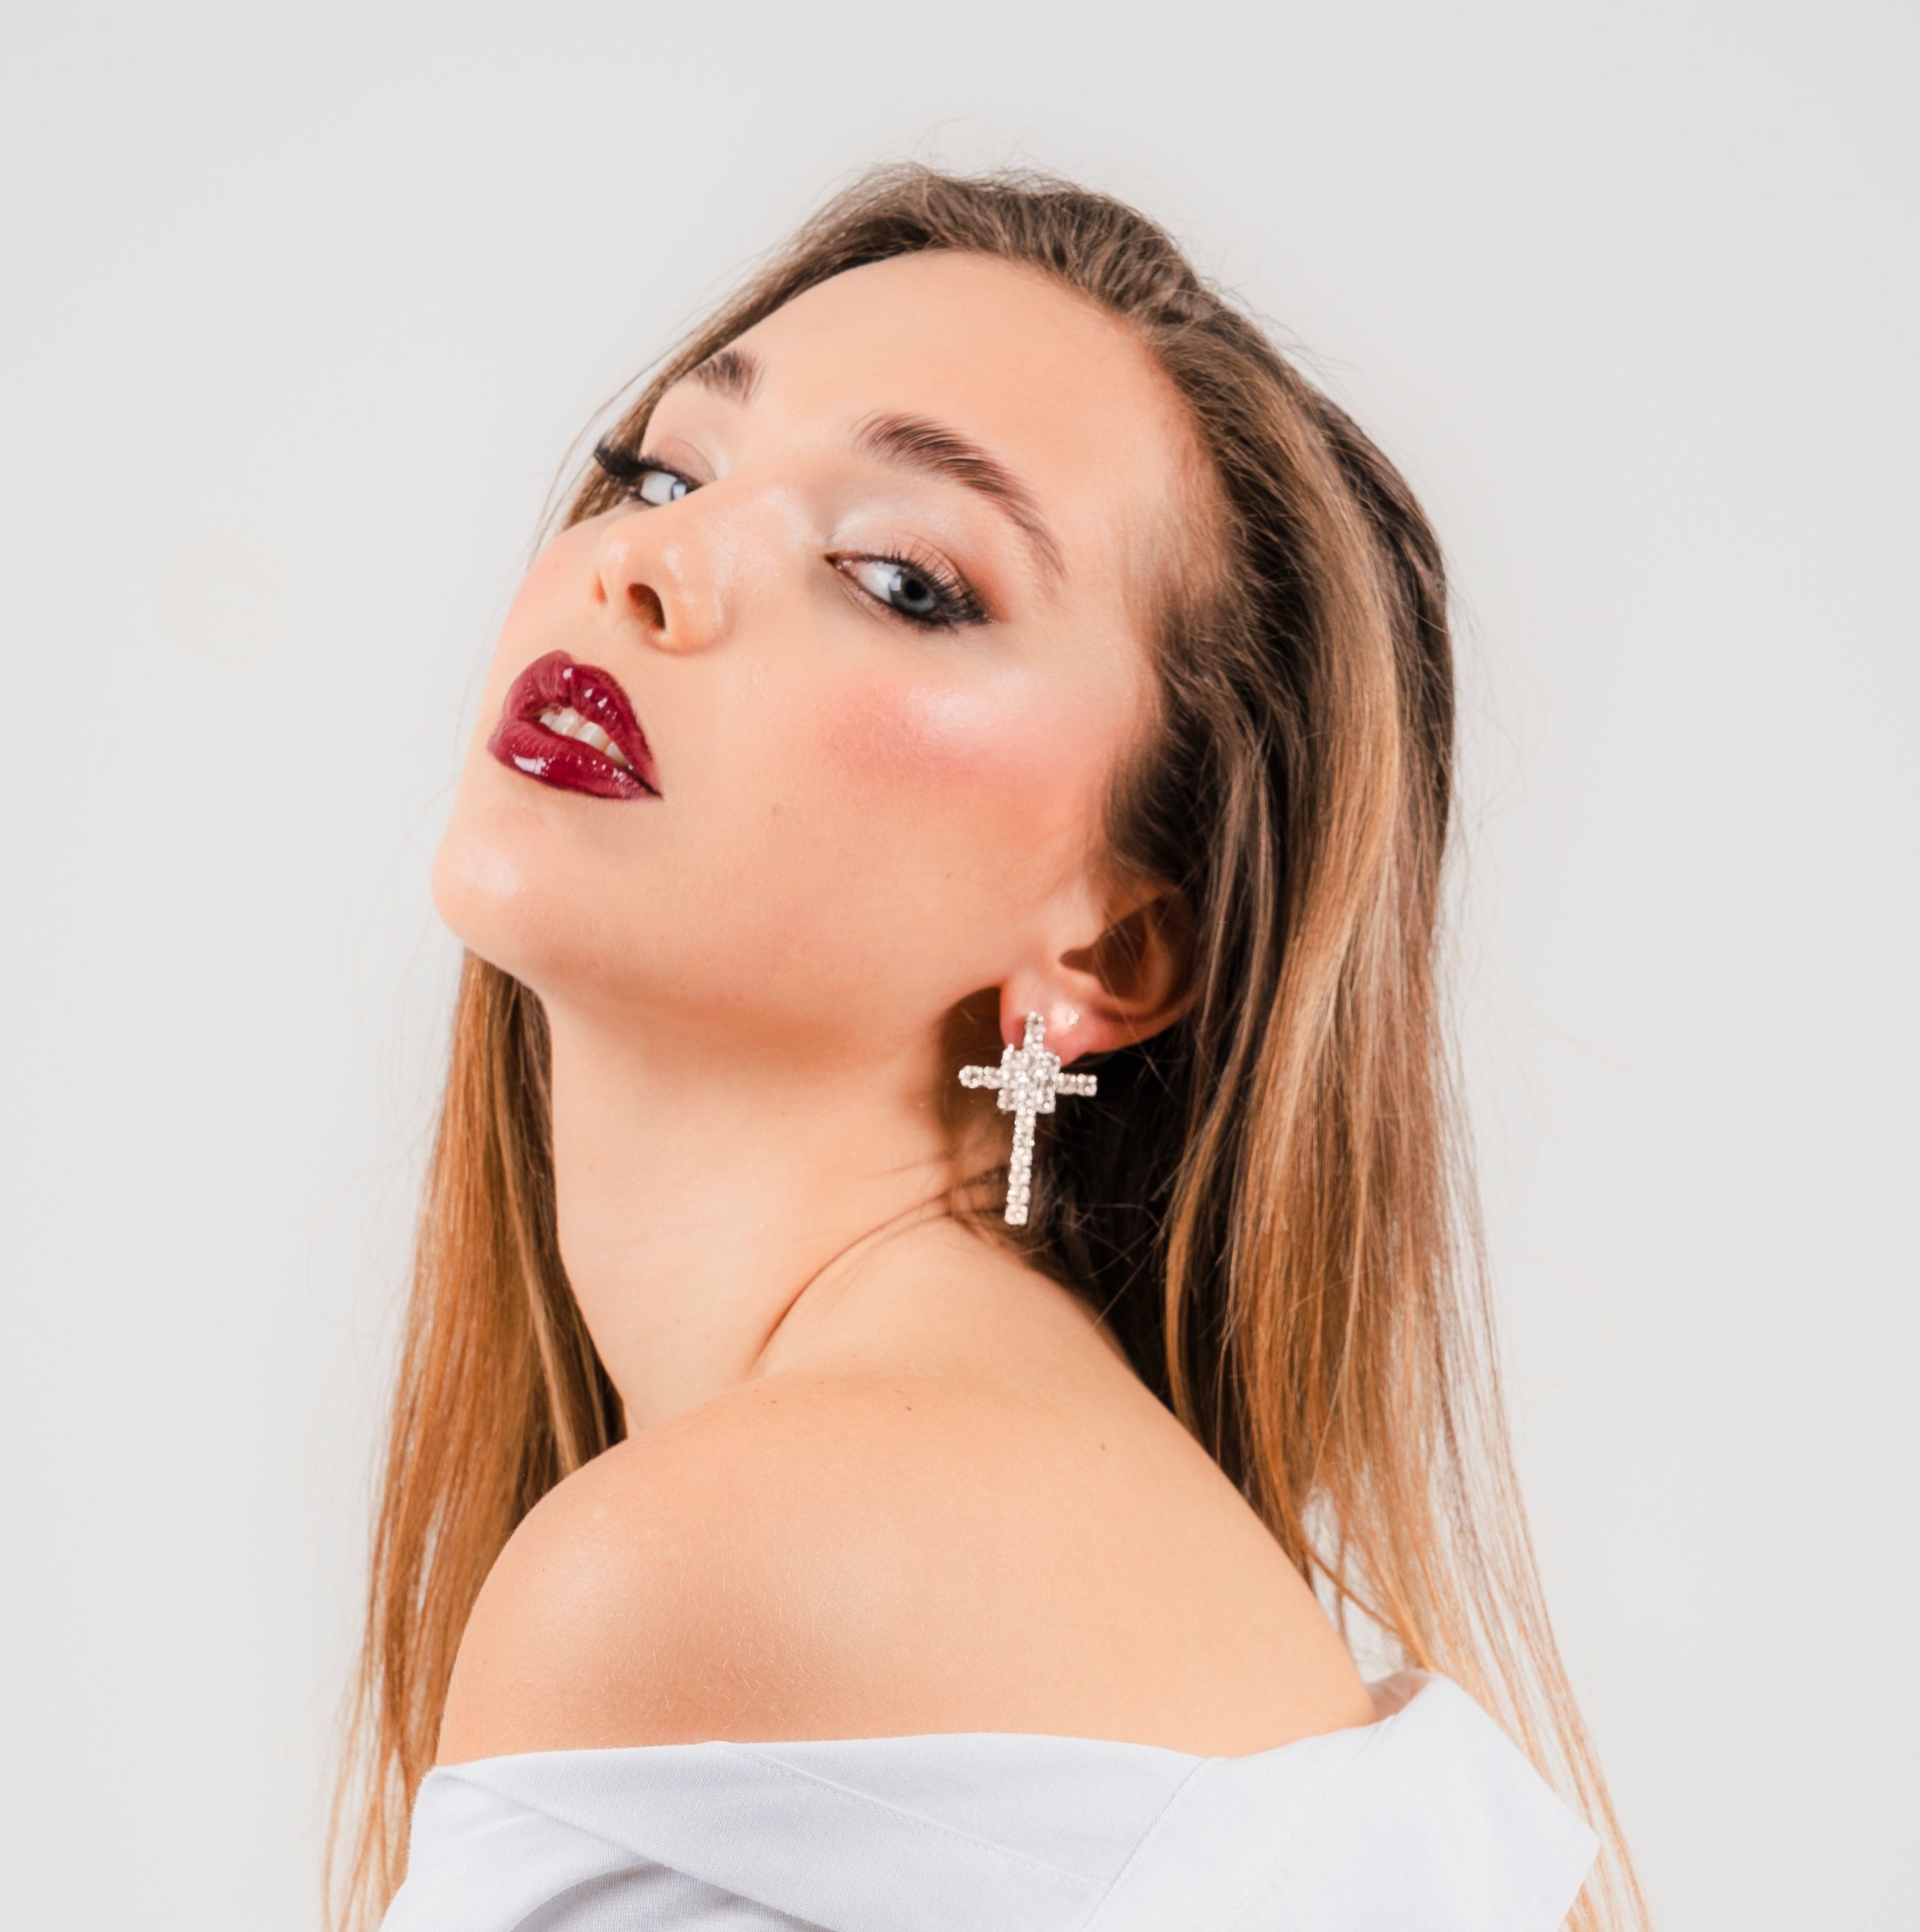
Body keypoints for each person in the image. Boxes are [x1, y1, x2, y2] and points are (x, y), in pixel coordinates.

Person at [333, 165, 1644, 1931]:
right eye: (666, 471)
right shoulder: (1004, 1497)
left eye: (900, 578)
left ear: (1112, 945)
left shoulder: (723, 1565)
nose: (647, 562)